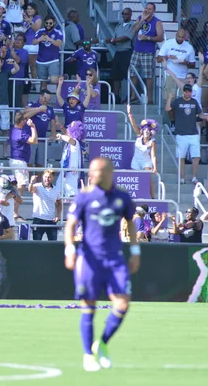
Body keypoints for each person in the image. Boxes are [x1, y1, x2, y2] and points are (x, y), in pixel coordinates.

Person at [63, 157, 141, 372]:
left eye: (97, 171)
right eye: (91, 171)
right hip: (89, 260)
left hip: (115, 259)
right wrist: (70, 250)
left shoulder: (122, 197)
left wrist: (135, 251)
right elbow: (70, 226)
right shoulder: (84, 196)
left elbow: (130, 224)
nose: (93, 175)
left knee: (123, 304)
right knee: (88, 307)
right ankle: (88, 355)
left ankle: (102, 343)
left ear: (108, 172)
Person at [165, 86, 208, 184]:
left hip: (193, 134)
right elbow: (168, 108)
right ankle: (182, 178)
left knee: (196, 156)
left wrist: (205, 117)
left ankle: (194, 177)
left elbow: (200, 114)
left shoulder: (194, 102)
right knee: (181, 157)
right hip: (181, 134)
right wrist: (169, 97)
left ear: (191, 92)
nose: (187, 93)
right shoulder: (178, 101)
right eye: (185, 91)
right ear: (183, 91)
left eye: (189, 91)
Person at [129, 3, 164, 104]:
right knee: (132, 72)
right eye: (146, 8)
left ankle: (149, 98)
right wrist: (142, 19)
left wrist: (148, 38)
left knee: (148, 75)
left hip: (148, 52)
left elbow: (160, 37)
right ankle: (133, 95)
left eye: (150, 9)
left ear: (153, 11)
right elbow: (133, 31)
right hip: (137, 50)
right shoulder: (140, 18)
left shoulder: (157, 22)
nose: (147, 10)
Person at [157, 29, 196, 103]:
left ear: (185, 38)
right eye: (179, 37)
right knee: (169, 100)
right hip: (170, 75)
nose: (180, 39)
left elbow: (193, 65)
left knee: (182, 101)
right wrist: (168, 56)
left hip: (182, 77)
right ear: (176, 35)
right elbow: (158, 59)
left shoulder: (189, 47)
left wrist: (185, 62)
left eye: (182, 37)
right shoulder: (168, 43)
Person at [127, 105, 158, 197]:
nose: (147, 132)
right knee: (133, 178)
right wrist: (129, 114)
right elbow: (133, 125)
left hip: (146, 161)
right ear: (143, 131)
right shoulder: (138, 136)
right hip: (136, 160)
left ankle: (153, 198)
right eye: (145, 130)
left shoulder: (152, 142)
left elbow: (153, 156)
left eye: (149, 131)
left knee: (148, 178)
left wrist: (155, 167)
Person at [106, 8, 134, 103]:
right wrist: (111, 41)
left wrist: (114, 40)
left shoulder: (133, 25)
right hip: (118, 52)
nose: (124, 15)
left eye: (126, 14)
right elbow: (115, 39)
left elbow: (127, 37)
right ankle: (116, 96)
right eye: (123, 14)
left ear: (130, 14)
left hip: (127, 52)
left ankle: (128, 96)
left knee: (127, 75)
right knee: (115, 75)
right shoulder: (118, 26)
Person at [23, 89, 56, 169]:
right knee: (29, 163)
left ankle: (39, 181)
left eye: (48, 99)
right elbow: (25, 114)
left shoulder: (50, 109)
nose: (46, 101)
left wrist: (53, 134)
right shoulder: (33, 104)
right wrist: (39, 109)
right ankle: (31, 181)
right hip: (31, 138)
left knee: (40, 164)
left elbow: (53, 123)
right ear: (40, 96)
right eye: (45, 98)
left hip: (42, 139)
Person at [9, 113, 37, 202]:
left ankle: (14, 210)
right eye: (24, 120)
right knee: (21, 185)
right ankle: (15, 211)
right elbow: (34, 141)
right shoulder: (20, 133)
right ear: (21, 121)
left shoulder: (13, 129)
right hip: (19, 161)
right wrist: (33, 126)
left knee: (18, 184)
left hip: (15, 160)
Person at [55, 120, 86, 198]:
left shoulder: (75, 142)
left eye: (70, 128)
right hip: (64, 172)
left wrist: (61, 136)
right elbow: (66, 134)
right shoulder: (69, 143)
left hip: (72, 172)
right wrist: (60, 126)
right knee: (57, 194)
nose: (68, 129)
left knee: (71, 196)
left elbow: (69, 139)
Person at [29, 170, 61, 241]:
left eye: (49, 177)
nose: (47, 179)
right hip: (38, 219)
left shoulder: (56, 189)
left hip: (51, 220)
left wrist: (58, 215)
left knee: (53, 245)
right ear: (43, 177)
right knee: (36, 245)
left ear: (53, 178)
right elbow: (30, 190)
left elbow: (59, 203)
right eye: (45, 177)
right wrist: (31, 182)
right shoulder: (37, 186)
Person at [32, 15, 63, 90]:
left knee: (54, 80)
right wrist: (39, 39)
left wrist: (50, 39)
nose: (48, 25)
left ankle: (62, 78)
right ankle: (43, 99)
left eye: (50, 23)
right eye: (46, 23)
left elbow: (59, 44)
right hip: (41, 61)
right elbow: (33, 42)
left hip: (53, 60)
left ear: (54, 23)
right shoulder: (40, 31)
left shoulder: (58, 32)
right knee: (43, 83)